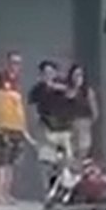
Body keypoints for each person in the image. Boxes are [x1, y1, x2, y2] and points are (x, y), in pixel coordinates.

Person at [0, 51, 32, 204]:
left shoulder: (17, 83)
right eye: (13, 62)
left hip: (16, 127)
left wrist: (24, 129)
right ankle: (0, 194)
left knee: (12, 162)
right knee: (3, 161)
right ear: (7, 63)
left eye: (18, 63)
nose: (15, 66)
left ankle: (7, 193)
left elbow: (18, 107)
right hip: (3, 126)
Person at [28, 60, 73, 190]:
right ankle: (49, 190)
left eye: (51, 72)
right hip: (45, 128)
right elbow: (32, 108)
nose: (48, 75)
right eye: (45, 73)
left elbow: (72, 96)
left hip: (63, 130)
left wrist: (57, 88)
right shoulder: (37, 90)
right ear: (41, 75)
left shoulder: (63, 87)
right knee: (46, 162)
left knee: (66, 161)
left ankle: (64, 189)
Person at [65, 64, 99, 160]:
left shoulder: (88, 92)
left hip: (83, 124)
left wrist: (87, 124)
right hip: (69, 126)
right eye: (75, 75)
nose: (78, 78)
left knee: (83, 151)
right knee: (69, 153)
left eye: (80, 75)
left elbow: (95, 112)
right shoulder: (67, 91)